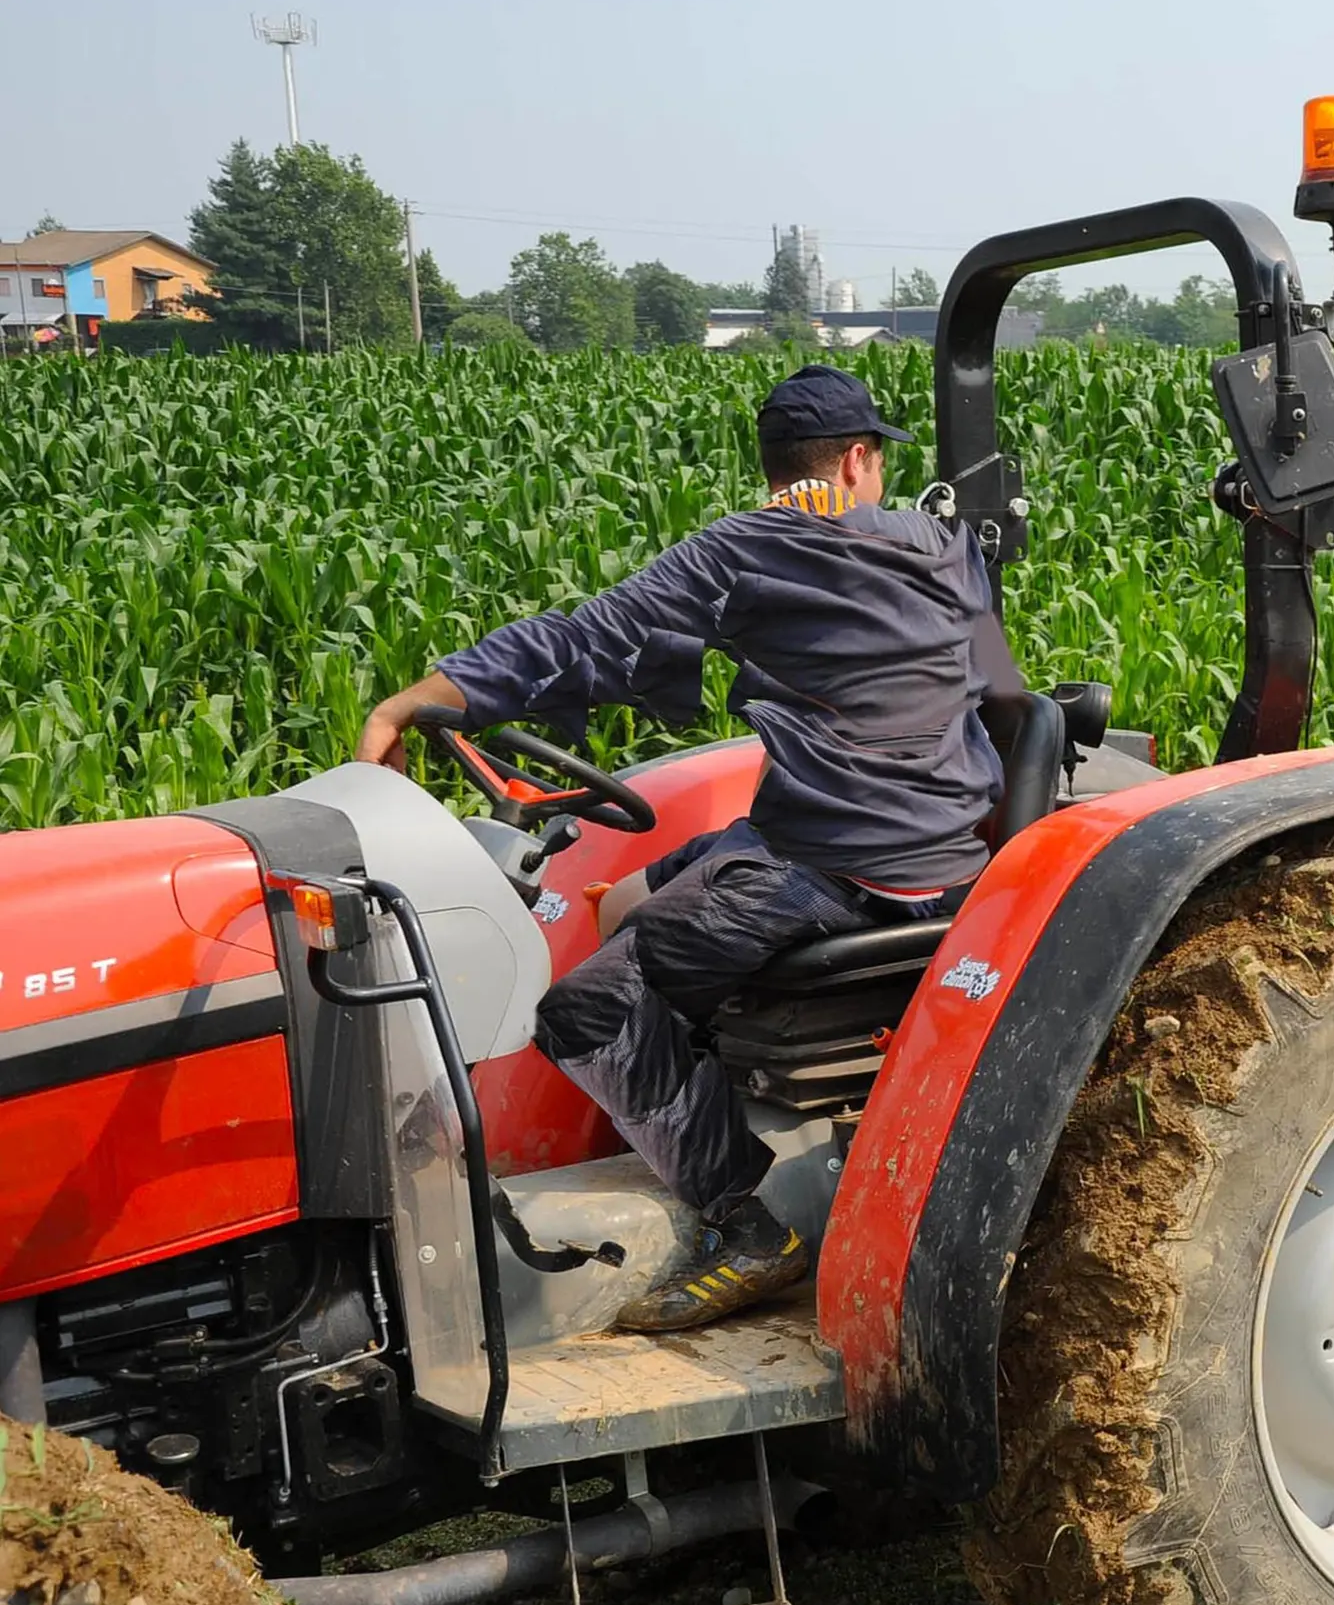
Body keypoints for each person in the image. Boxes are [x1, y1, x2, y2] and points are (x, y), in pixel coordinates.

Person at [357, 366, 1027, 1332]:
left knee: (583, 1011)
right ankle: (714, 1106)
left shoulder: (750, 544)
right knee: (623, 898)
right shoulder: (946, 545)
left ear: (783, 469)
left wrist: (419, 697)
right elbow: (1002, 692)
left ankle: (746, 1221)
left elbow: (579, 643)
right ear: (859, 460)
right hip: (926, 844)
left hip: (840, 865)